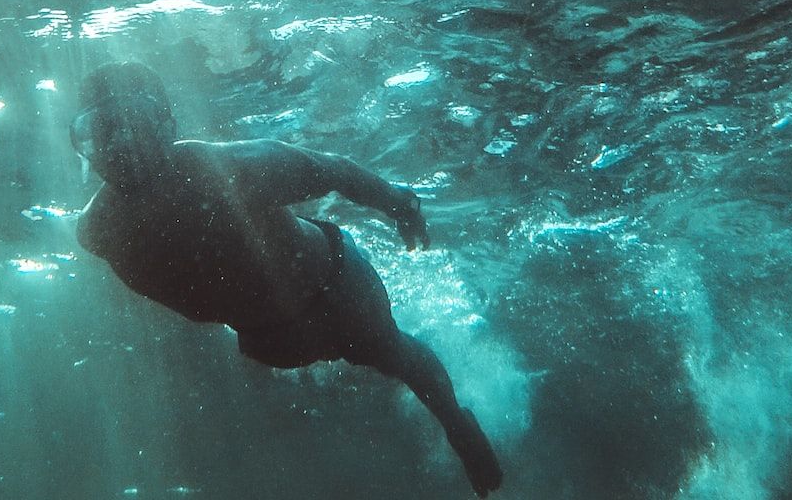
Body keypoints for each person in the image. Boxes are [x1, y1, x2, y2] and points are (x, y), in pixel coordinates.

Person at [70, 61, 504, 497]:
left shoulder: (227, 170)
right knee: (362, 367)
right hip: (268, 339)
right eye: (104, 129)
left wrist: (401, 206)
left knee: (393, 353)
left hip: (337, 291)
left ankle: (457, 425)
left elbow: (334, 167)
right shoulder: (98, 233)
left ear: (167, 125)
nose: (123, 141)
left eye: (135, 122)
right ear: (85, 146)